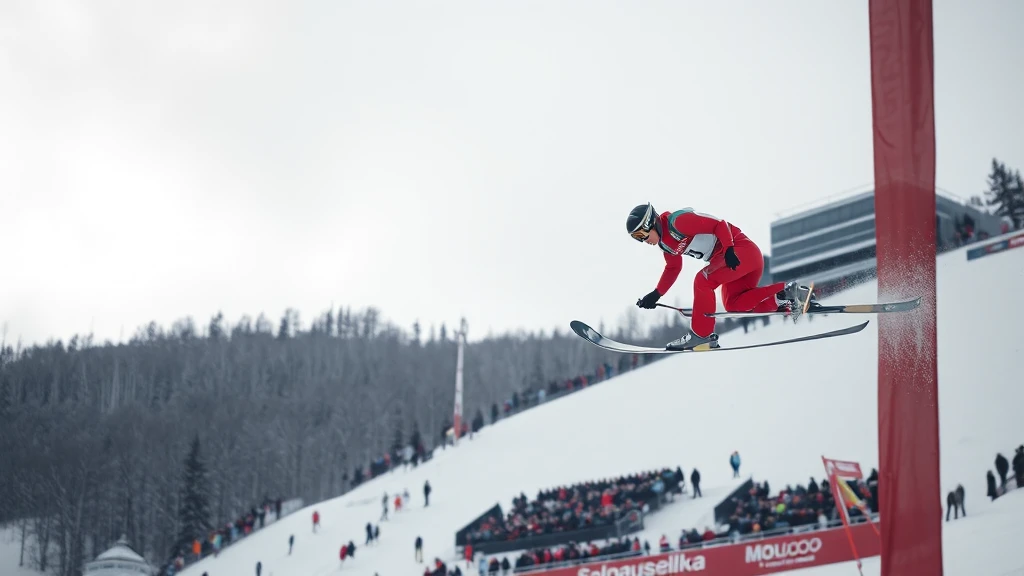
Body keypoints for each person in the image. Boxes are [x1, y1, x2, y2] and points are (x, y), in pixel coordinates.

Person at [626, 203, 817, 350]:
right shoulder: (665, 245)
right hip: (733, 262)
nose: (643, 240)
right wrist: (656, 294)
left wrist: (728, 250)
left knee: (702, 281)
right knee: (734, 304)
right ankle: (786, 297)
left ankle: (702, 335)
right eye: (637, 238)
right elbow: (673, 268)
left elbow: (719, 225)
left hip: (740, 252)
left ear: (651, 222)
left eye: (642, 233)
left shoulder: (678, 222)